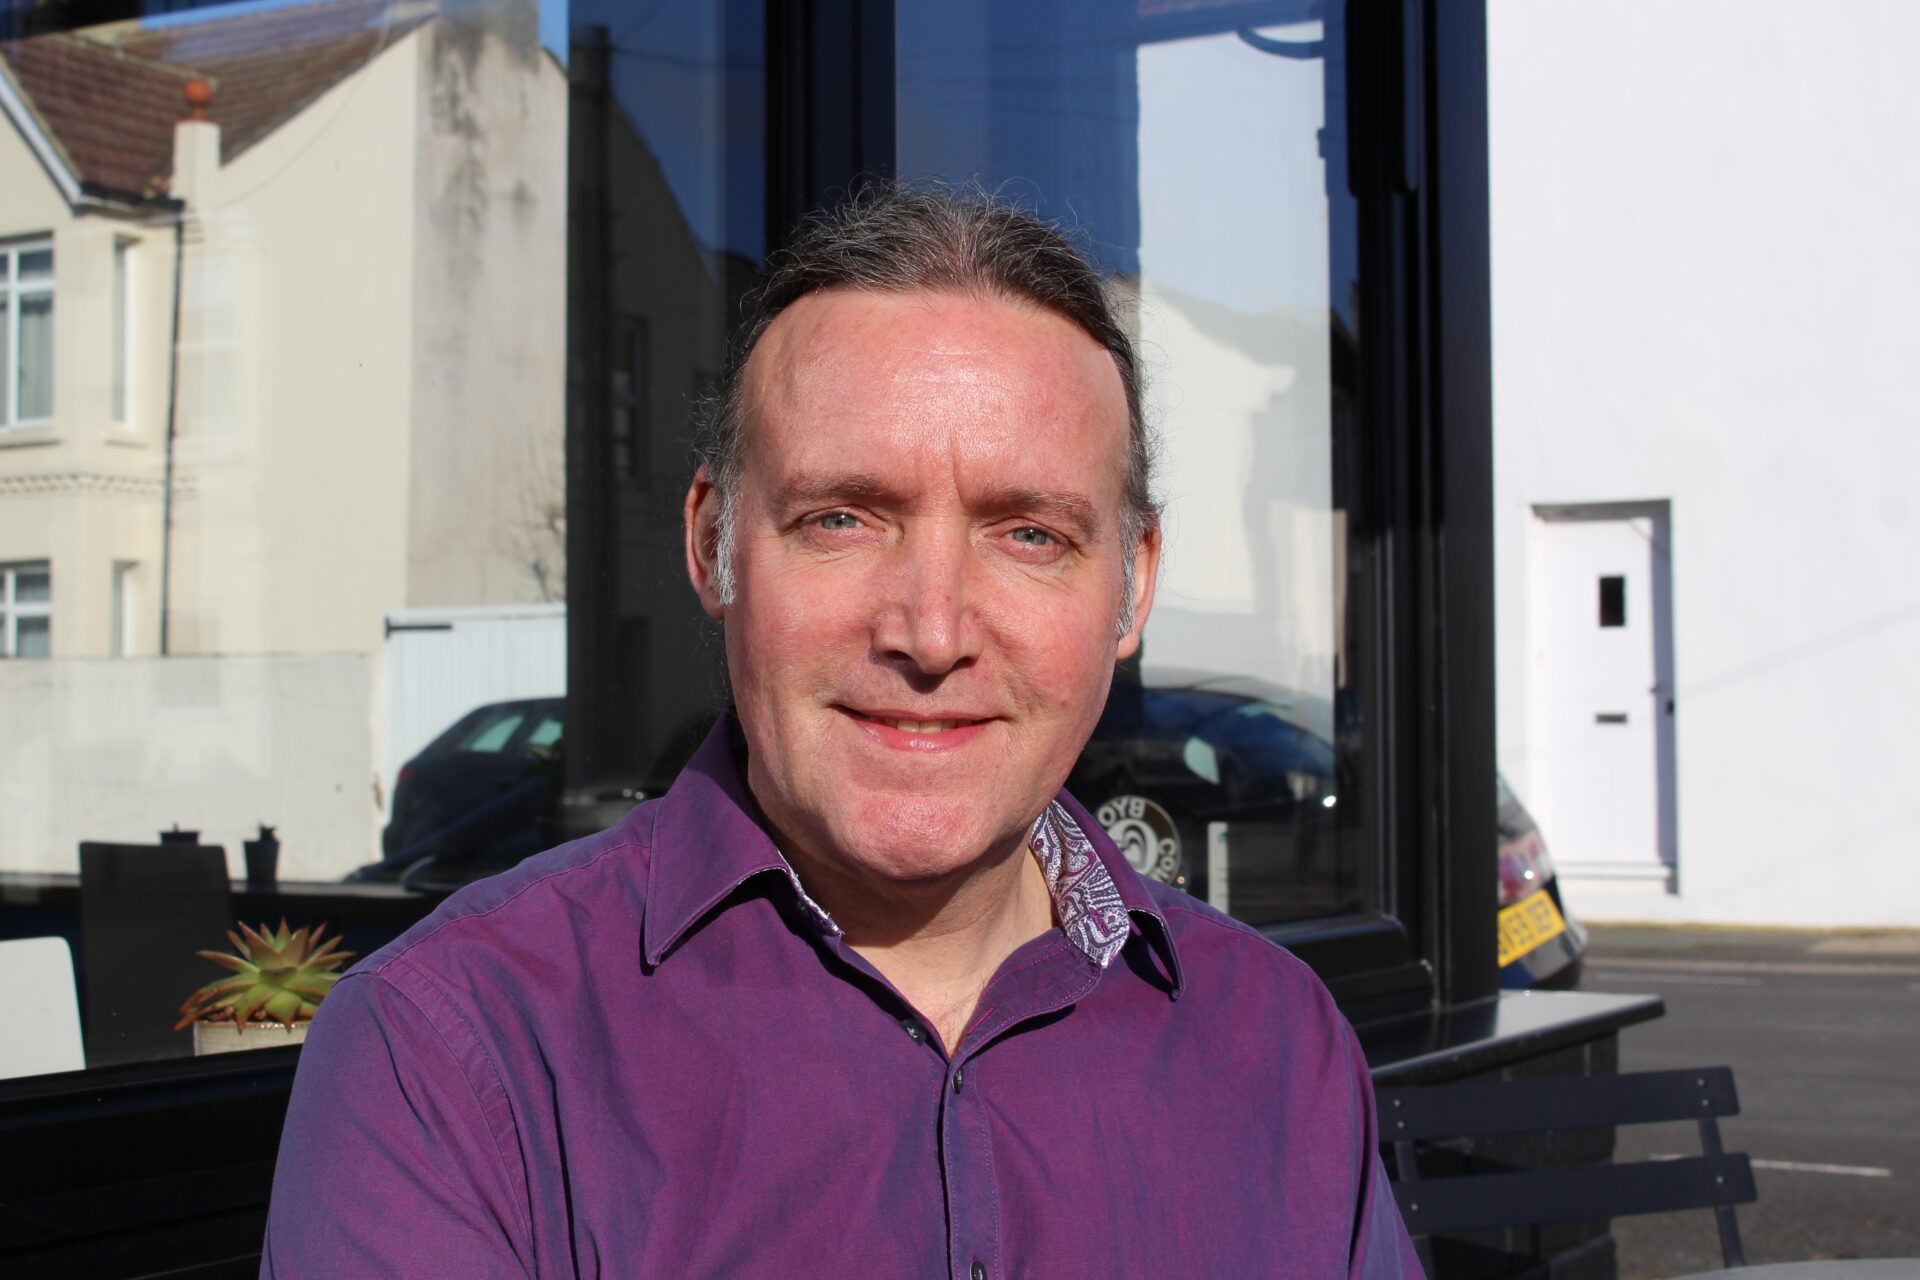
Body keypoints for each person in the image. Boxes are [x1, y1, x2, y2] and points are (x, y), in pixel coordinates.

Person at [262, 186, 1420, 1278]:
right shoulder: (451, 1058)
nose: (930, 630)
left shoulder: (1278, 1043)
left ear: (1133, 584)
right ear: (715, 544)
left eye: (1028, 534)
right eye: (842, 518)